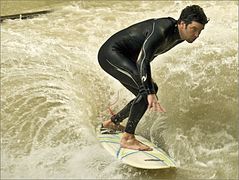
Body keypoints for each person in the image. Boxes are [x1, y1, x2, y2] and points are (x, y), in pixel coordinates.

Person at [98, 5, 209, 151]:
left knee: (148, 90)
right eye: (194, 29)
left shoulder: (181, 36)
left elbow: (148, 56)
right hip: (111, 54)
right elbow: (143, 59)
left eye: (199, 31)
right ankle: (128, 138)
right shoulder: (162, 29)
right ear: (182, 24)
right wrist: (147, 89)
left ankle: (113, 122)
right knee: (147, 92)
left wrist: (146, 84)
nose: (196, 35)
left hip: (129, 60)